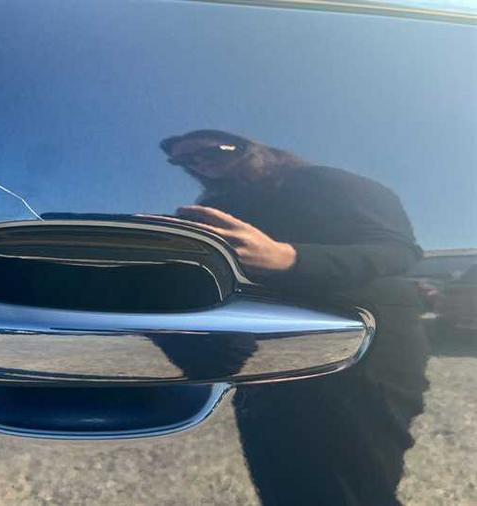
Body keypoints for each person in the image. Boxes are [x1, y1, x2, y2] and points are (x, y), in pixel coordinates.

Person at [158, 129, 429, 506]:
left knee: (354, 485)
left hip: (362, 351)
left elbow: (398, 250)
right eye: (185, 160)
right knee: (281, 481)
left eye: (213, 150)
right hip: (267, 359)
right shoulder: (217, 205)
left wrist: (287, 256)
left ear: (250, 146)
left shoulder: (323, 181)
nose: (200, 162)